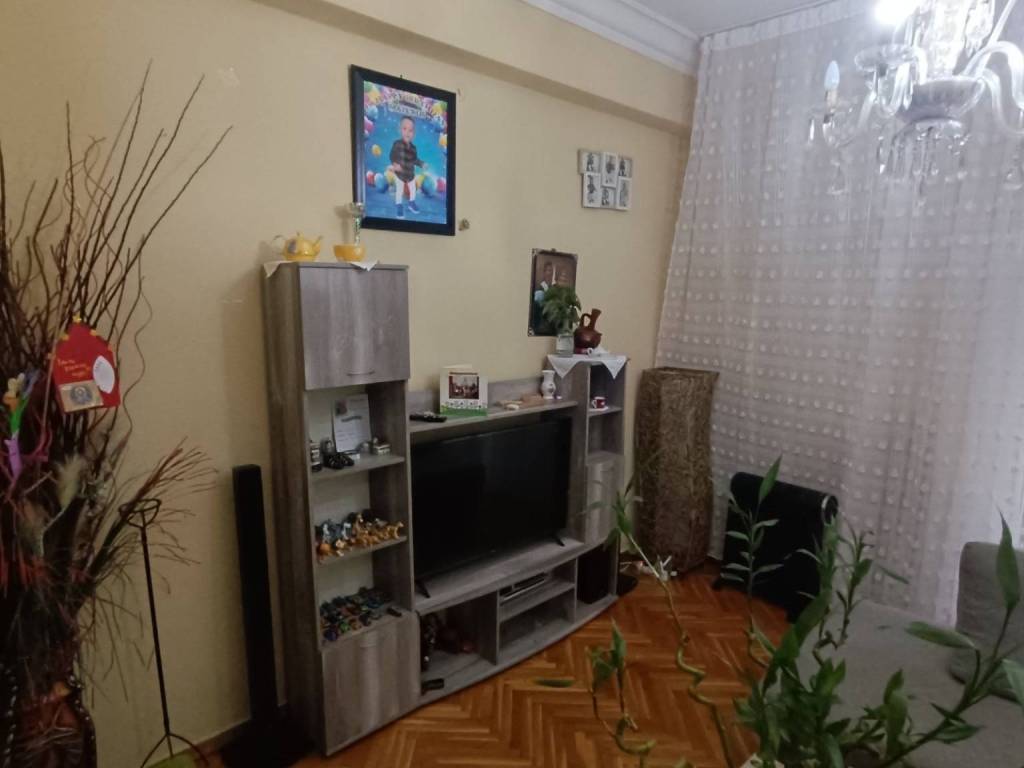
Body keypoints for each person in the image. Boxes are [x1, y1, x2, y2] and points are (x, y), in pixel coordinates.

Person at [388, 116, 425, 219]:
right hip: (399, 174)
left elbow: (415, 159)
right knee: (399, 191)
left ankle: (411, 203)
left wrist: (422, 164)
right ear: (400, 130)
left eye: (410, 130)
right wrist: (395, 164)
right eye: (404, 129)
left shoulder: (413, 148)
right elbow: (392, 155)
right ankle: (399, 206)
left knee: (413, 189)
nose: (407, 132)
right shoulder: (397, 144)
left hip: (410, 174)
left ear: (414, 134)